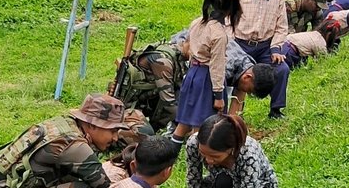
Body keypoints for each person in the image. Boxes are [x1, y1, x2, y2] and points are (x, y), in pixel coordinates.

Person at [116, 38, 272, 133]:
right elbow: (171, 102)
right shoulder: (166, 62)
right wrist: (192, 123)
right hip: (132, 103)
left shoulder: (249, 65)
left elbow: (238, 96)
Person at [172, 0, 243, 143]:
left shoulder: (198, 22)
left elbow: (188, 47)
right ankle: (199, 159)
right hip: (207, 80)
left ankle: (169, 156)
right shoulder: (218, 34)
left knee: (183, 123)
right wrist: (218, 95)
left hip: (192, 75)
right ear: (233, 7)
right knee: (202, 127)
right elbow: (217, 66)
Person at [233, 0, 291, 120]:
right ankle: (234, 112)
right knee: (238, 75)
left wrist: (275, 49)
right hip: (240, 45)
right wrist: (230, 44)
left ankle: (276, 109)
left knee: (282, 69)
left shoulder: (279, 1)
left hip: (265, 46)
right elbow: (230, 22)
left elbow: (281, 28)